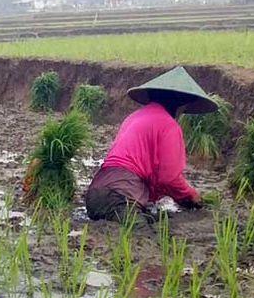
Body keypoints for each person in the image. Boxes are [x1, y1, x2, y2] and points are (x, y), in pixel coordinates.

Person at [84, 67, 218, 224]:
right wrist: (191, 196)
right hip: (119, 197)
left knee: (151, 221)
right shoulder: (169, 125)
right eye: (184, 107)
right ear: (178, 103)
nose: (183, 111)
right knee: (141, 235)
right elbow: (168, 178)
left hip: (95, 194)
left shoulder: (134, 117)